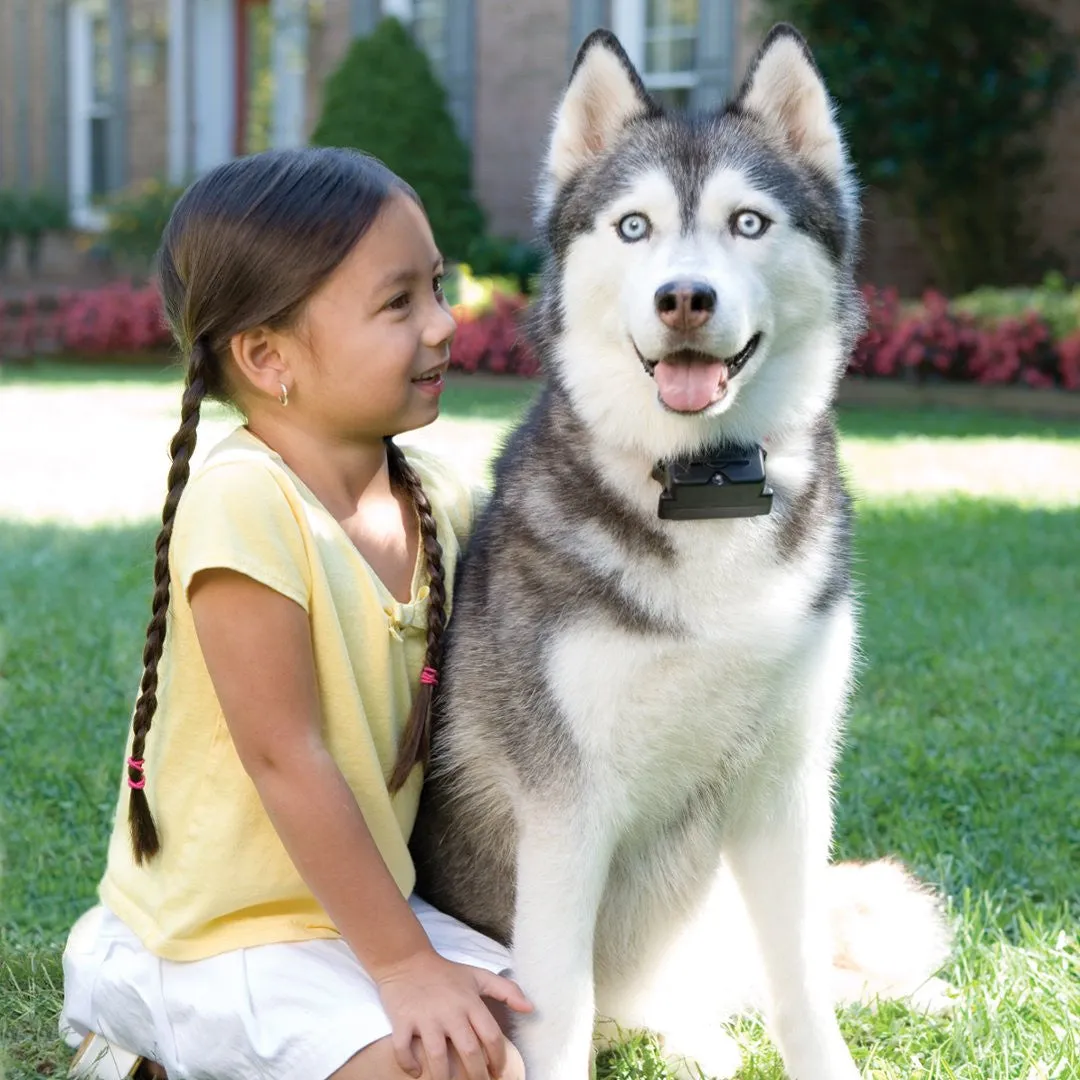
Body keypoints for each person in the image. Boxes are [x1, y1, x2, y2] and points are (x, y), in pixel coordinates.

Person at [60, 147, 530, 1080]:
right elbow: (287, 757)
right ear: (268, 357)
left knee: (548, 1023)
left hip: (350, 904)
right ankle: (137, 1003)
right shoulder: (245, 501)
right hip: (226, 931)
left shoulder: (436, 497)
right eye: (399, 303)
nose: (443, 325)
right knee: (453, 1067)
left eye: (438, 287)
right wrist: (403, 967)